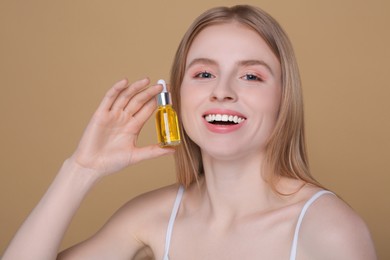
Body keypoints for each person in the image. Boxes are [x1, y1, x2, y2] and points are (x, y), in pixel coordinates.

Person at [2, 5, 376, 260]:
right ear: (179, 97)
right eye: (203, 73)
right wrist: (81, 170)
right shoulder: (151, 217)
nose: (222, 90)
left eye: (250, 76)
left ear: (284, 98)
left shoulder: (329, 229)